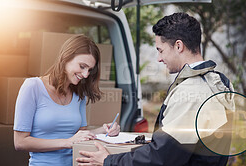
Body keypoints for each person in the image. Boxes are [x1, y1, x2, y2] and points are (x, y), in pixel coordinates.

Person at [76, 12, 234, 166]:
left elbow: (163, 157)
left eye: (160, 50)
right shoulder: (218, 81)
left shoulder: (191, 92)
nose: (159, 58)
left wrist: (109, 161)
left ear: (178, 46)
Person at [13, 35, 121, 166]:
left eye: (89, 70)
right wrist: (67, 142)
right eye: (82, 66)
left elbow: (80, 136)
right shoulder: (32, 87)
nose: (86, 74)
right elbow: (20, 142)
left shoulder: (79, 94)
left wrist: (104, 130)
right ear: (66, 58)